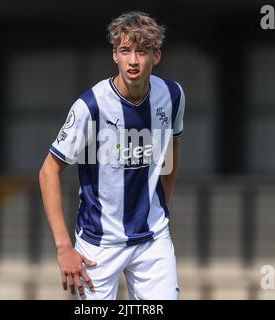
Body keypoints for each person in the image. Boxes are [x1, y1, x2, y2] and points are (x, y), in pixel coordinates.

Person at [39, 11, 185, 300]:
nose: (133, 60)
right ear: (114, 55)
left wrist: (161, 207)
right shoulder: (90, 106)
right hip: (98, 245)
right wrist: (64, 248)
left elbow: (172, 147)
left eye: (142, 51)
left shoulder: (173, 95)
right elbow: (48, 171)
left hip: (152, 240)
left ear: (156, 56)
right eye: (125, 50)